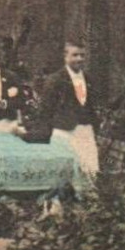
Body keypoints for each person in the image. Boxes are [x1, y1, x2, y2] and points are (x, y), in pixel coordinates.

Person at [40, 41, 100, 176]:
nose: (79, 59)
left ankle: (86, 194)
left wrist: (94, 124)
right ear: (65, 57)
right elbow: (46, 109)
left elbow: (91, 104)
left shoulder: (88, 79)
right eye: (75, 55)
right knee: (62, 169)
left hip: (85, 129)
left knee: (88, 168)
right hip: (64, 129)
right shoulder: (55, 80)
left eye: (82, 55)